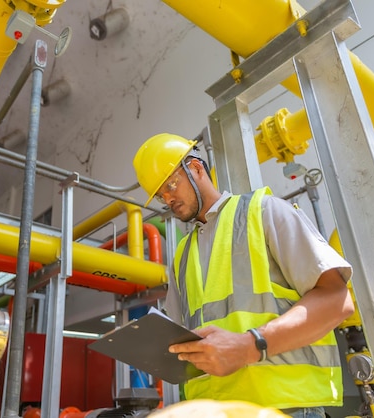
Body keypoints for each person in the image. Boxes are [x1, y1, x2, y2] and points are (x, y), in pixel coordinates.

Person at [132, 133, 355, 418]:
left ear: (197, 169)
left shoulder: (263, 211)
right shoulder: (182, 255)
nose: (168, 198)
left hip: (285, 406)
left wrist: (250, 345)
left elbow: (337, 299)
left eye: (171, 185)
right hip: (214, 411)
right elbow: (182, 336)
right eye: (161, 195)